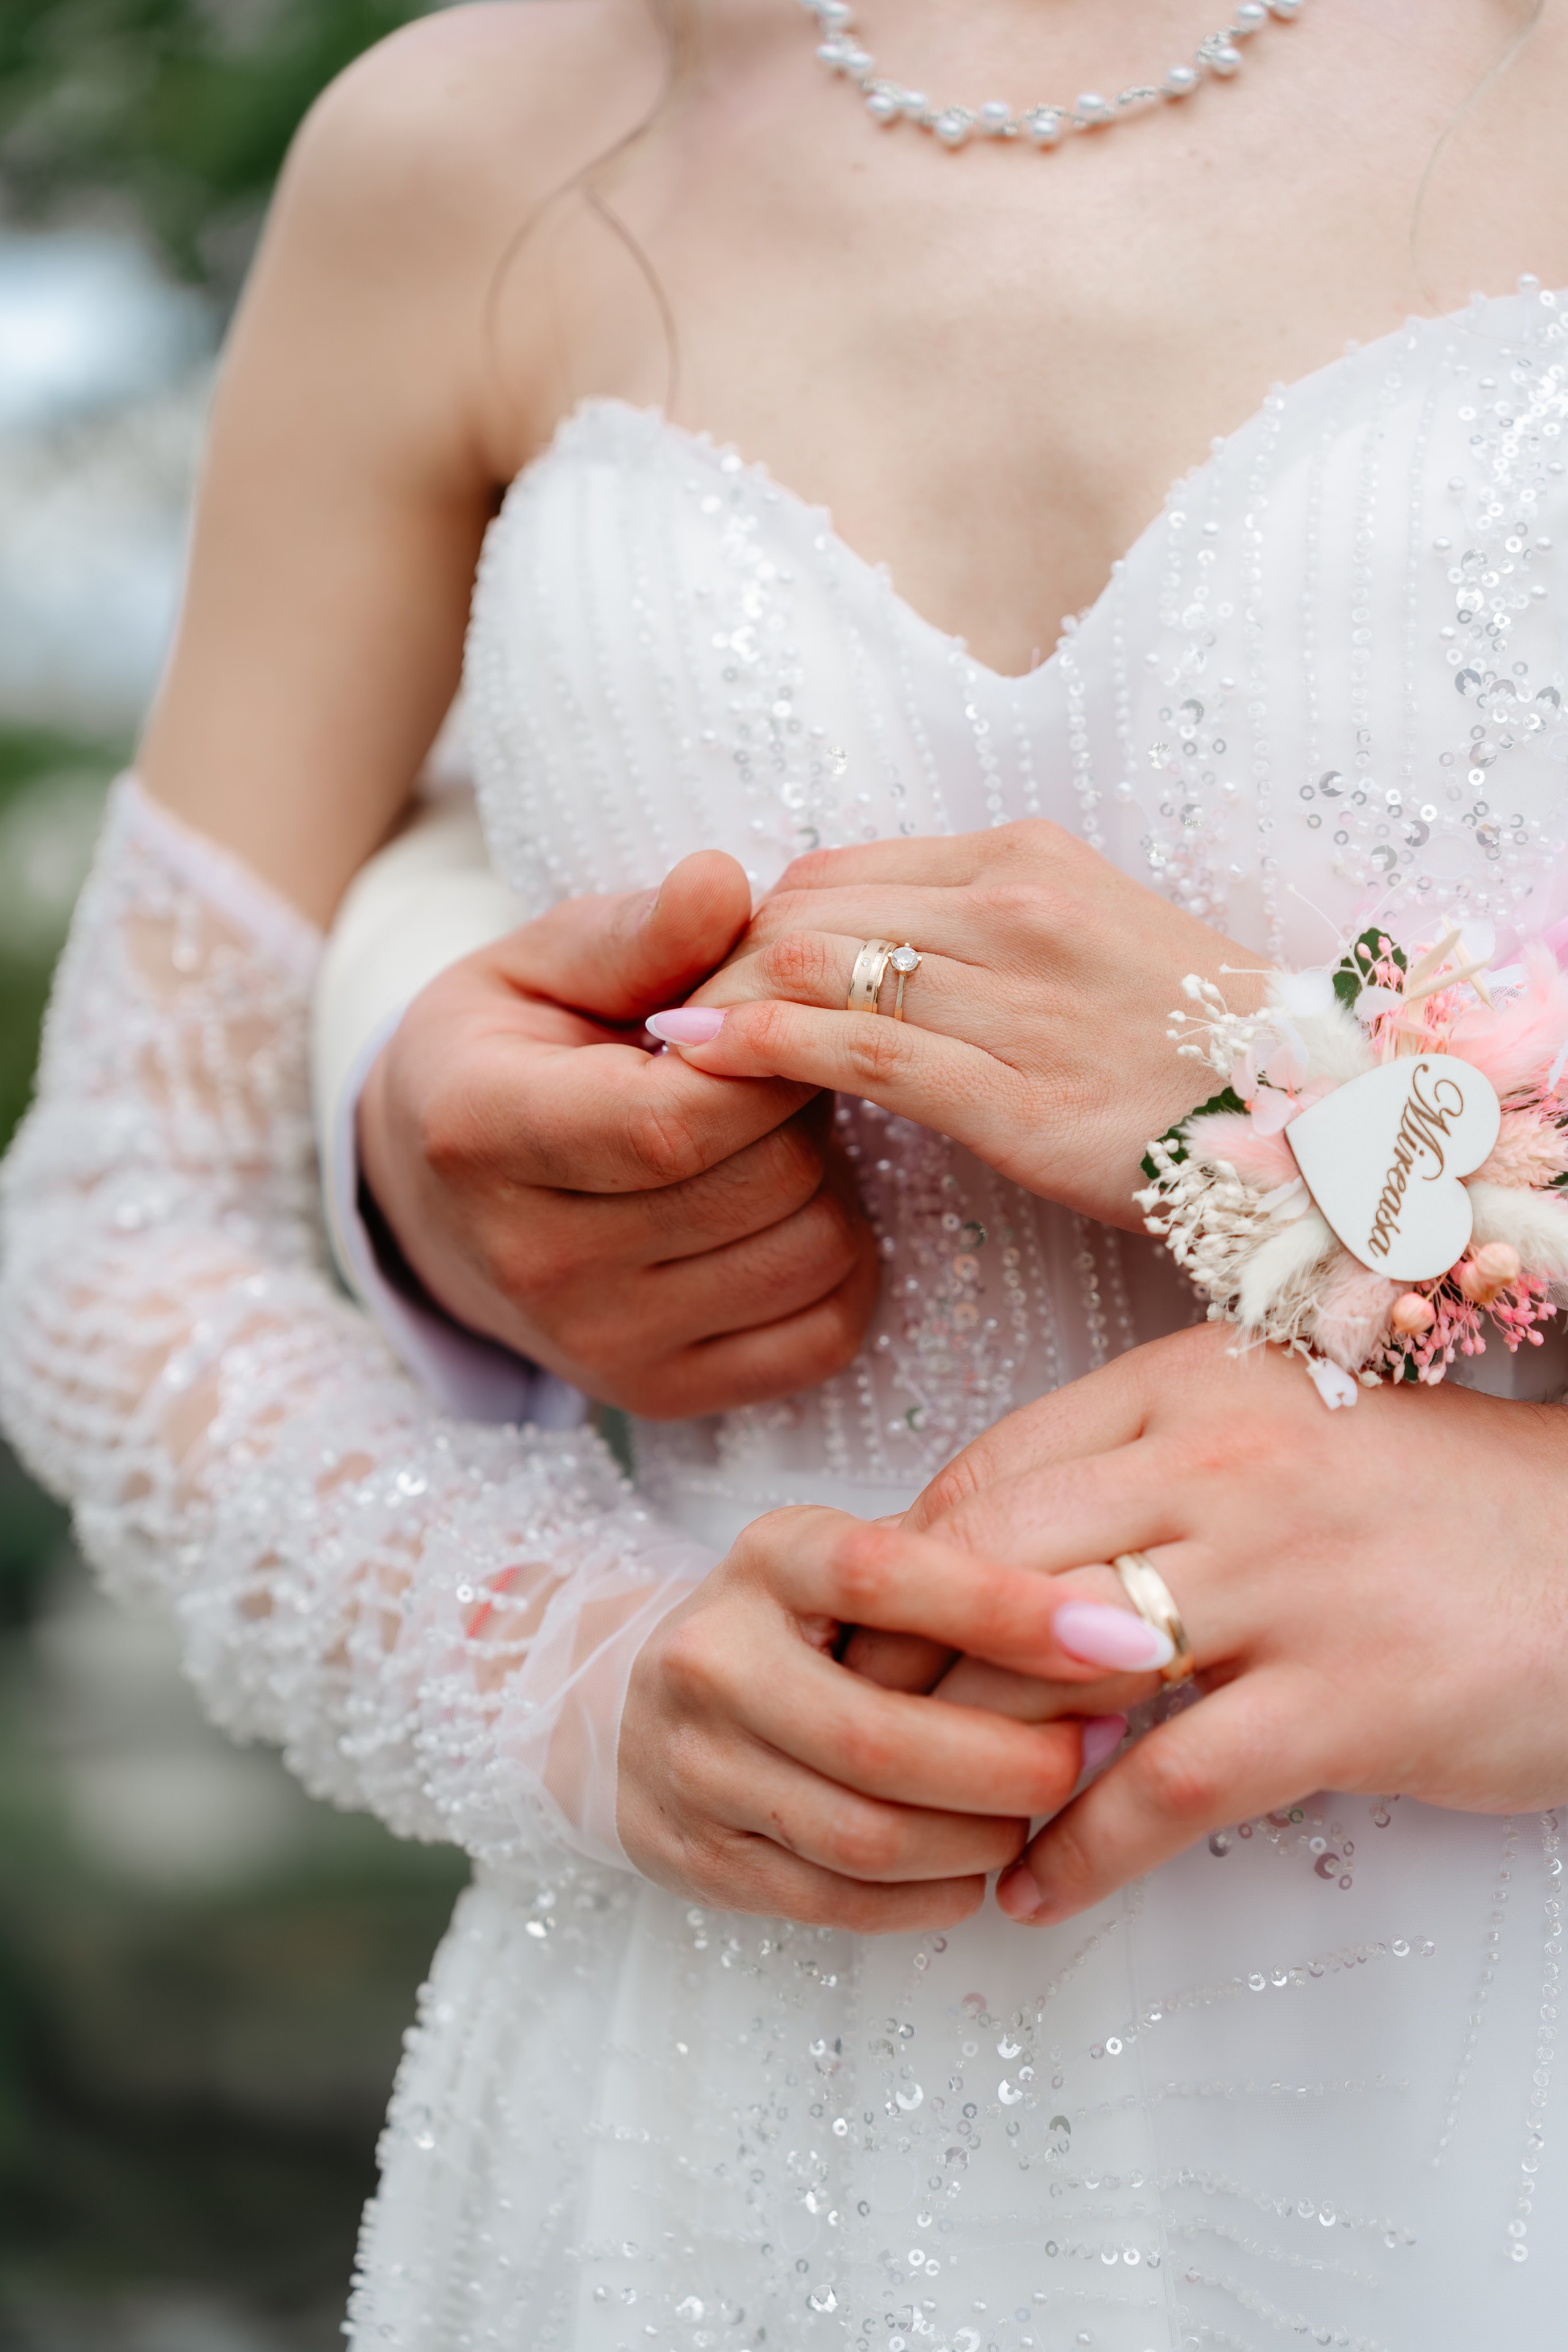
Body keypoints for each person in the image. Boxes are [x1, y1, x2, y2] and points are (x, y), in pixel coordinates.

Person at [3, 0, 1568, 2343]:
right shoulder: (473, 145)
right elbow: (119, 1216)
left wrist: (1291, 1130)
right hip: (732, 2109)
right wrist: (579, 1672)